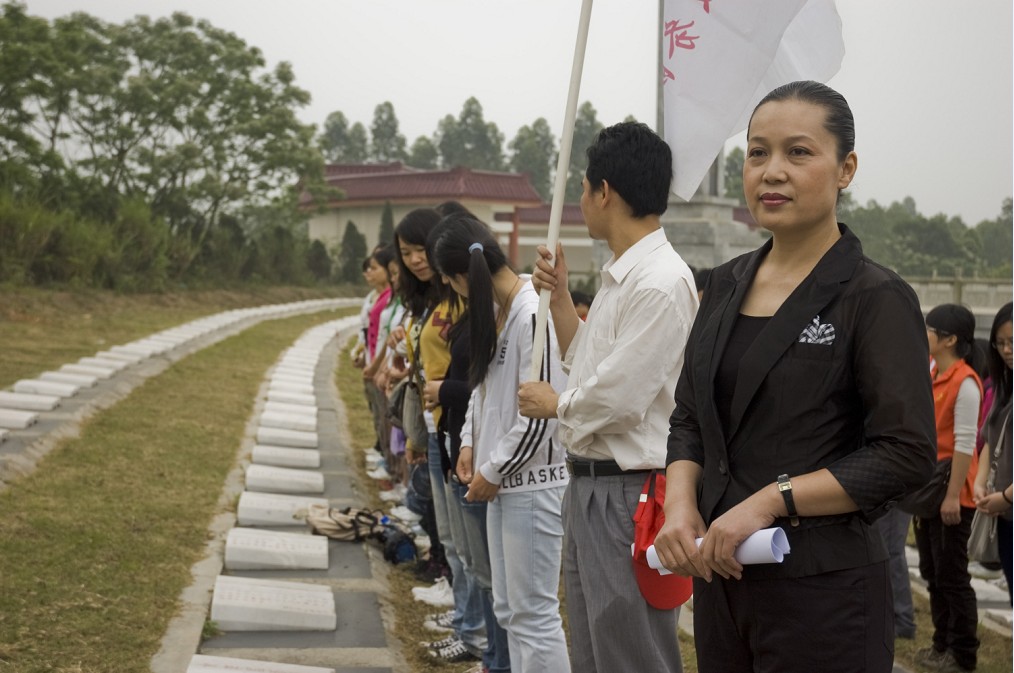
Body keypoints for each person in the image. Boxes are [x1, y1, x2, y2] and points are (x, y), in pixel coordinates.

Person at [654, 81, 936, 673]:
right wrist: (679, 505)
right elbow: (688, 418)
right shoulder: (726, 283)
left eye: (798, 152)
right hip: (722, 583)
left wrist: (771, 501)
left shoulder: (874, 296)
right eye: (758, 153)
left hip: (824, 593)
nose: (771, 171)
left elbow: (905, 453)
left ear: (846, 168)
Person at [518, 121, 698, 673]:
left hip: (627, 494)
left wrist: (556, 405)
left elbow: (619, 398)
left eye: (582, 187)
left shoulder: (660, 282)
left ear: (605, 192)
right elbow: (587, 366)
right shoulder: (624, 276)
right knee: (595, 648)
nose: (579, 200)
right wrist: (560, 303)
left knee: (632, 652)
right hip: (593, 487)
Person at [432, 213, 569, 672]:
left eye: (449, 283)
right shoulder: (498, 312)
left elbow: (540, 415)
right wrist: (470, 443)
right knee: (511, 610)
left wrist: (494, 470)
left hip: (533, 484)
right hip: (505, 480)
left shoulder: (534, 311)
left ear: (457, 277)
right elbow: (482, 391)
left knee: (534, 614)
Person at [393, 208, 485, 665]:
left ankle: (474, 632)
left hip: (459, 430)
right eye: (405, 253)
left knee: (470, 550)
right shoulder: (430, 300)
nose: (414, 260)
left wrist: (442, 391)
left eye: (420, 249)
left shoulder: (467, 297)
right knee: (454, 542)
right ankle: (467, 622)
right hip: (437, 428)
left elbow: (480, 376)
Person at [915, 303, 984, 672]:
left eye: (930, 329)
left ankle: (963, 654)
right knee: (932, 571)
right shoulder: (931, 372)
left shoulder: (966, 382)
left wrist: (953, 496)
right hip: (931, 489)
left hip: (953, 493)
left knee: (953, 576)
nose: (924, 334)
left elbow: (964, 443)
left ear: (949, 339)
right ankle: (941, 645)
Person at [973, 302, 1013, 603]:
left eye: (1013, 341)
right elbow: (990, 437)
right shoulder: (1003, 387)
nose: (1007, 350)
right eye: (1000, 343)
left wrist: (1006, 497)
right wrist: (980, 482)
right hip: (1004, 515)